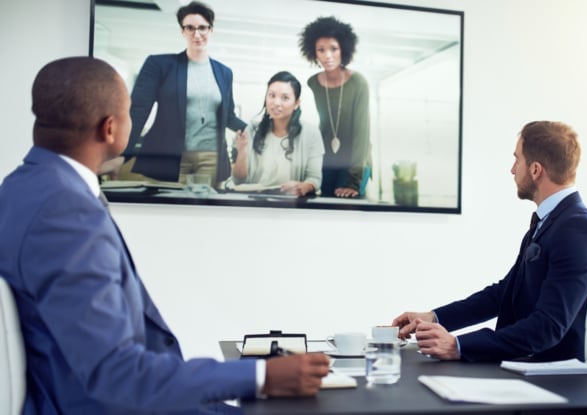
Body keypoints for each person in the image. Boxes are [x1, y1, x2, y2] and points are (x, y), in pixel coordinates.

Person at [0, 56, 329, 414]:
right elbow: (117, 374)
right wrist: (262, 375)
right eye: (130, 112)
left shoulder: (23, 187)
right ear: (111, 129)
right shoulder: (64, 210)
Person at [392, 121, 587, 362]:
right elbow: (504, 293)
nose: (512, 169)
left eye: (517, 160)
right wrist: (433, 317)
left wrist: (458, 346)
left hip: (556, 381)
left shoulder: (578, 231)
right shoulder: (551, 222)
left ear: (535, 170)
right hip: (527, 367)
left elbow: (548, 326)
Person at [120, 1, 246, 187]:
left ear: (211, 30)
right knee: (168, 211)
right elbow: (138, 110)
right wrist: (122, 153)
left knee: (204, 212)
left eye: (202, 28)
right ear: (182, 31)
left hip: (211, 156)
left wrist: (256, 129)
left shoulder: (224, 72)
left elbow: (228, 116)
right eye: (190, 28)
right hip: (170, 156)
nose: (197, 34)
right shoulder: (160, 65)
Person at [299, 16, 372, 198]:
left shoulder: (358, 82)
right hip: (327, 161)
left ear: (343, 50)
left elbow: (362, 134)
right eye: (321, 50)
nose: (328, 55)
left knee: (347, 206)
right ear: (314, 53)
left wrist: (353, 181)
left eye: (334, 49)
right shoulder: (312, 83)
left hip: (356, 162)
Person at [230, 71, 323, 196]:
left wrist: (302, 187)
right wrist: (242, 152)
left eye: (285, 98)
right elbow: (238, 180)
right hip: (255, 203)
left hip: (292, 204)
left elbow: (315, 179)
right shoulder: (252, 130)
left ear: (296, 104)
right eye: (272, 95)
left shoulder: (311, 134)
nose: (276, 102)